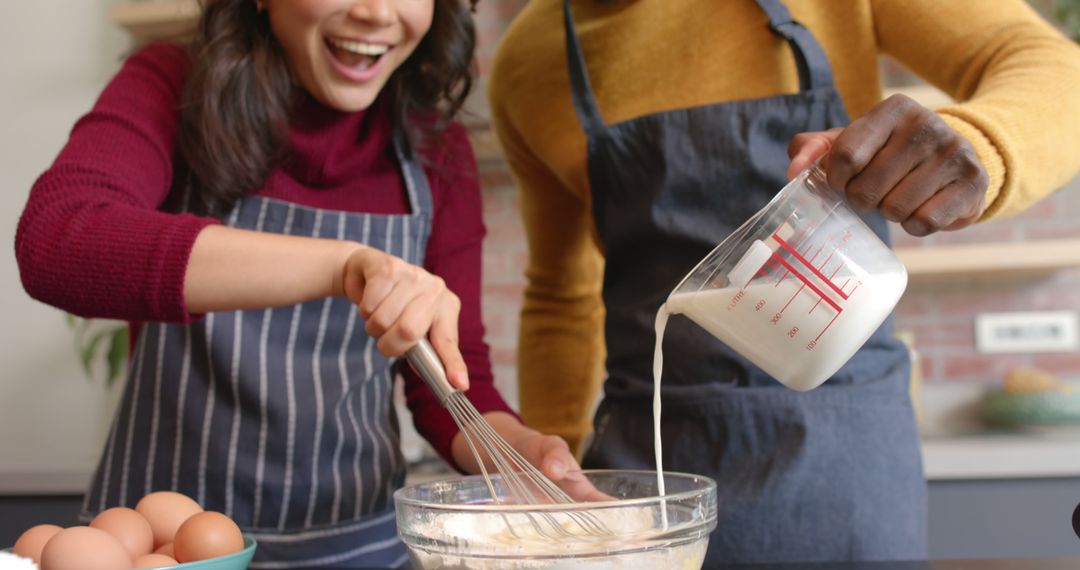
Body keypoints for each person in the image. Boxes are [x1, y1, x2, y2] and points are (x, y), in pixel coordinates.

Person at [488, 0, 1080, 564]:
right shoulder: (527, 64)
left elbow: (1061, 75)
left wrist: (980, 145)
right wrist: (550, 492)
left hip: (845, 462)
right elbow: (559, 298)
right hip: (649, 465)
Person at [14, 0, 586, 567]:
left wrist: (517, 452)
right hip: (157, 546)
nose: (376, 12)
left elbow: (457, 382)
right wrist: (340, 266)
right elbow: (60, 240)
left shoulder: (437, 149)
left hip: (355, 548)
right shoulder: (172, 85)